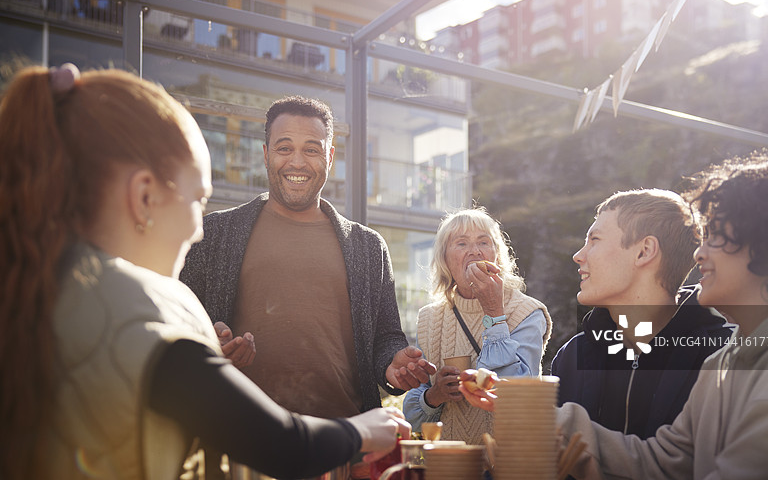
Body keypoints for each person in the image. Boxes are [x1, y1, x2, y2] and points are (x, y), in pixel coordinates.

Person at [0, 64, 410, 480]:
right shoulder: (150, 319)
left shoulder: (38, 283)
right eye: (197, 198)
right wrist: (364, 430)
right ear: (144, 196)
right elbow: (283, 445)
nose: (199, 226)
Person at [461, 149, 768, 479]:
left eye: (716, 237)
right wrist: (526, 412)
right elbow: (661, 464)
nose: (700, 253)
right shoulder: (723, 363)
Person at [178, 95, 434, 424]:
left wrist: (393, 364)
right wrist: (212, 344)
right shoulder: (213, 234)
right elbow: (179, 327)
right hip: (242, 437)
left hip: (347, 441)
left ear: (329, 157)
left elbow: (386, 338)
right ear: (266, 154)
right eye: (285, 148)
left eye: (311, 149)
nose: (297, 162)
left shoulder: (368, 246)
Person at [550, 189, 732, 438]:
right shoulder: (572, 356)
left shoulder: (724, 357)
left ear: (644, 251)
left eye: (595, 240)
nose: (578, 256)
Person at [402, 207, 552, 444]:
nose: (474, 251)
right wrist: (434, 395)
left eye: (483, 242)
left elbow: (518, 396)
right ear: (445, 258)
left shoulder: (528, 312)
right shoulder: (429, 317)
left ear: (496, 254)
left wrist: (494, 313)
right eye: (461, 244)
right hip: (449, 462)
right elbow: (411, 417)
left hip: (509, 463)